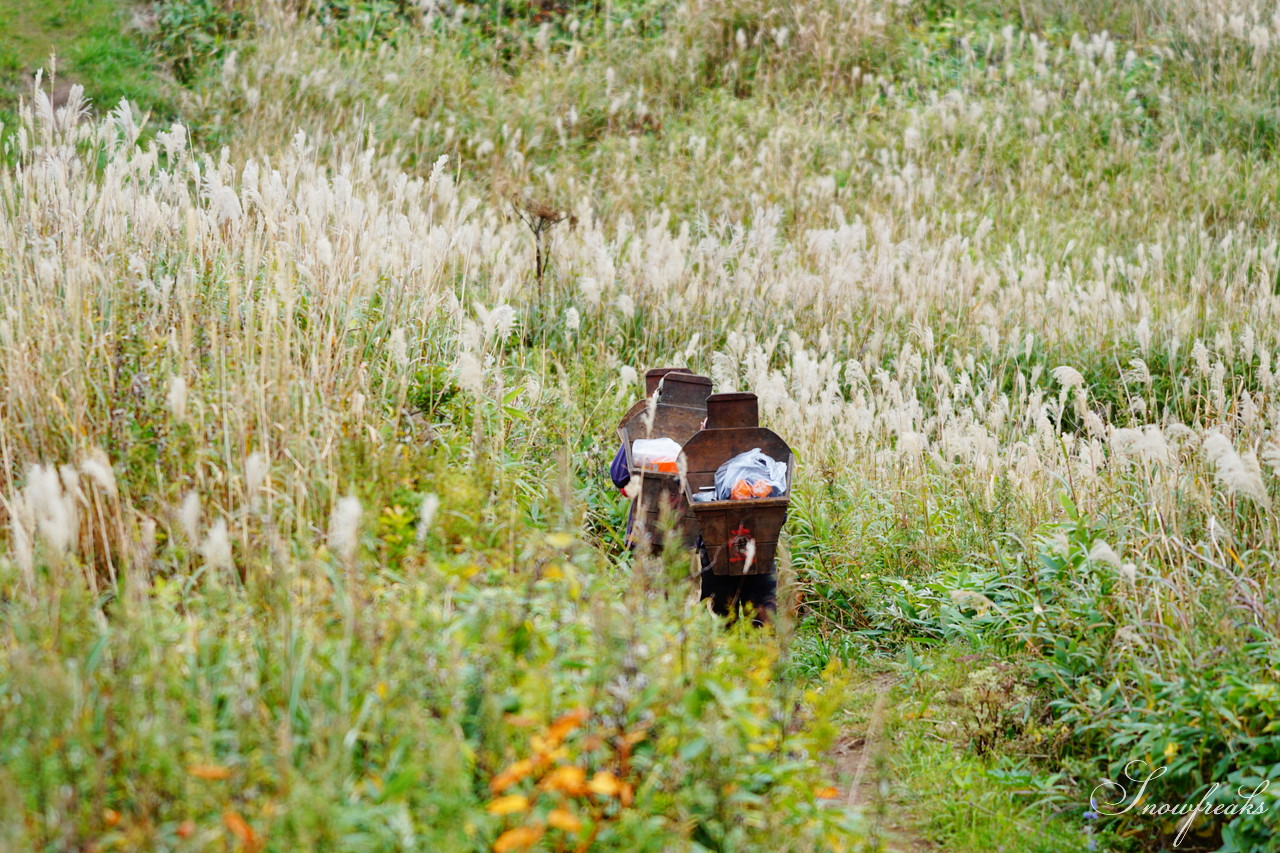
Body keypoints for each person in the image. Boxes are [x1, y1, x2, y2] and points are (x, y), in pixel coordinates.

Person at [610, 434, 776, 627]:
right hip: (684, 541)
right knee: (682, 607)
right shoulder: (709, 435)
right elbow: (621, 478)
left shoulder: (654, 430)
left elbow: (619, 477)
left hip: (672, 540)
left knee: (666, 608)